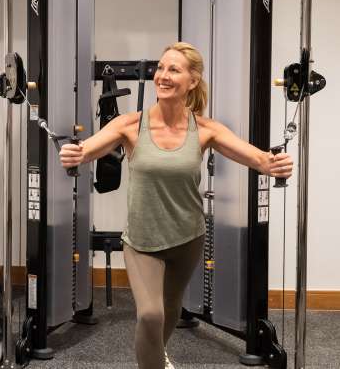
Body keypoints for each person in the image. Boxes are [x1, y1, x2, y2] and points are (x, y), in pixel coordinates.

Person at [59, 42, 292, 369]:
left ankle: (156, 358)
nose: (163, 76)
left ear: (192, 81)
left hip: (187, 238)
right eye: (161, 68)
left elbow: (258, 159)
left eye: (174, 70)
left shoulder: (206, 129)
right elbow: (86, 151)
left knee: (166, 315)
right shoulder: (130, 125)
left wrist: (276, 164)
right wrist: (74, 154)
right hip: (142, 241)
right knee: (151, 314)